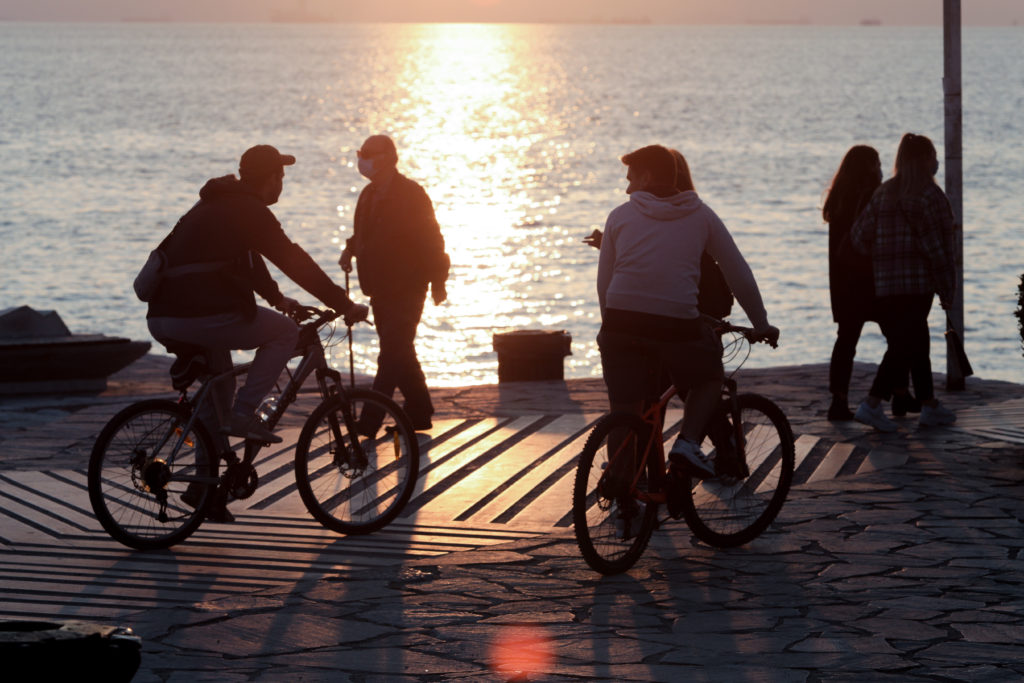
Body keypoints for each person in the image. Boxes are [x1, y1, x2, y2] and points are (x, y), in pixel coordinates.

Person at [148, 145, 369, 454]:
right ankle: (245, 413)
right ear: (270, 179)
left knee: (220, 392)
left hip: (165, 314)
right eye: (281, 176)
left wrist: (279, 299)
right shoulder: (249, 210)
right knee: (284, 332)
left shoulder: (219, 204)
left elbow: (247, 262)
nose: (282, 183)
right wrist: (344, 304)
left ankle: (205, 493)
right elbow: (293, 260)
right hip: (196, 314)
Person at [597, 144, 779, 482]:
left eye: (631, 178)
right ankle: (688, 443)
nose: (627, 187)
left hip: (620, 323)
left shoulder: (619, 216)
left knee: (624, 409)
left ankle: (620, 481)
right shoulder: (702, 215)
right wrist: (761, 323)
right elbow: (737, 272)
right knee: (709, 377)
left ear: (648, 176)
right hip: (675, 324)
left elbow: (604, 283)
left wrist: (609, 326)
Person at [339, 135, 449, 431]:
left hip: (408, 287)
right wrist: (349, 250)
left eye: (368, 154)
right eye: (360, 152)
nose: (362, 159)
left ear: (387, 157)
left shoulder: (411, 194)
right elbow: (364, 233)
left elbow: (432, 240)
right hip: (379, 287)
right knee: (400, 350)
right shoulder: (368, 194)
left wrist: (439, 280)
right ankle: (420, 411)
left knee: (390, 354)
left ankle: (369, 422)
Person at [849, 133, 958, 432]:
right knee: (903, 345)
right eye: (933, 156)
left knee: (915, 341)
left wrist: (885, 256)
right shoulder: (931, 197)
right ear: (923, 160)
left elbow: (858, 237)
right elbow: (941, 250)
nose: (936, 162)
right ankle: (871, 403)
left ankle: (928, 404)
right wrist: (948, 289)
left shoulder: (884, 193)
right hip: (917, 285)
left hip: (886, 285)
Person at [823, 145, 883, 421]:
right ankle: (895, 392)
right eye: (876, 163)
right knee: (899, 335)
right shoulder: (868, 196)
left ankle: (839, 399)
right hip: (869, 278)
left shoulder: (838, 199)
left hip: (843, 280)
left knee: (846, 340)